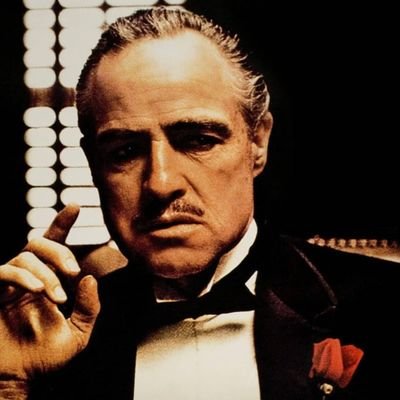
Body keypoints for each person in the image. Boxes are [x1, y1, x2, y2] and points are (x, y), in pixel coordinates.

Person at [0, 7, 399, 400]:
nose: (161, 184)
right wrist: (11, 384)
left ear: (257, 142)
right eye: (125, 151)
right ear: (93, 165)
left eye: (198, 141)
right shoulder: (48, 338)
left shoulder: (383, 306)